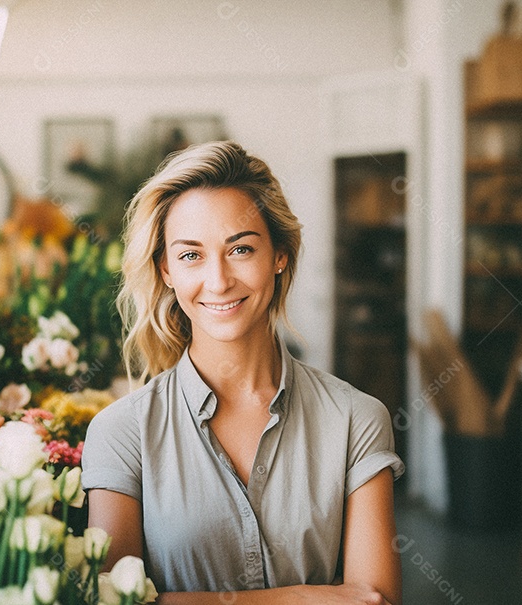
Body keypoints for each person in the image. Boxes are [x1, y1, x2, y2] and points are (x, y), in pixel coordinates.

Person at [81, 141, 404, 605]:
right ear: (166, 270)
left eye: (241, 249)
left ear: (279, 255)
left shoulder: (357, 419)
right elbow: (112, 599)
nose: (218, 281)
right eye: (191, 255)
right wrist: (303, 598)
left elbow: (375, 601)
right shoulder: (121, 432)